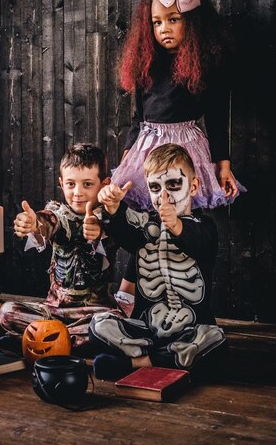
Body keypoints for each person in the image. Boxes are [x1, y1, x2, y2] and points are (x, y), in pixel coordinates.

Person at [111, 0, 246, 304]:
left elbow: (216, 117)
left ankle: (186, 295)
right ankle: (130, 290)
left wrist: (223, 166)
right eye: (157, 22)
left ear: (193, 23)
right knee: (149, 220)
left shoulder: (204, 65)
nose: (164, 29)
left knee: (180, 219)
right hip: (147, 147)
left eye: (173, 20)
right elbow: (137, 118)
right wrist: (126, 160)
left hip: (185, 147)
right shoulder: (147, 63)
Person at [89, 143, 228, 380]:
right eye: (155, 187)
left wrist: (175, 224)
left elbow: (197, 242)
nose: (163, 195)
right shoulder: (146, 228)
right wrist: (113, 209)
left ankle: (137, 362)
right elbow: (126, 231)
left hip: (190, 330)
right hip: (147, 330)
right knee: (98, 325)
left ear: (193, 186)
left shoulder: (205, 228)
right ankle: (164, 359)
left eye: (174, 184)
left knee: (215, 340)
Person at [0, 143, 122, 354]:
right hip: (53, 312)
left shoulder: (110, 218)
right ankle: (66, 342)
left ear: (103, 184)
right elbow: (49, 222)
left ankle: (37, 342)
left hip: (93, 311)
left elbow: (111, 234)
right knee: (7, 312)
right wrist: (34, 223)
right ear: (61, 183)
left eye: (87, 184)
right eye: (71, 184)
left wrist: (99, 231)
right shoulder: (59, 214)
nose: (78, 193)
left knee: (113, 323)